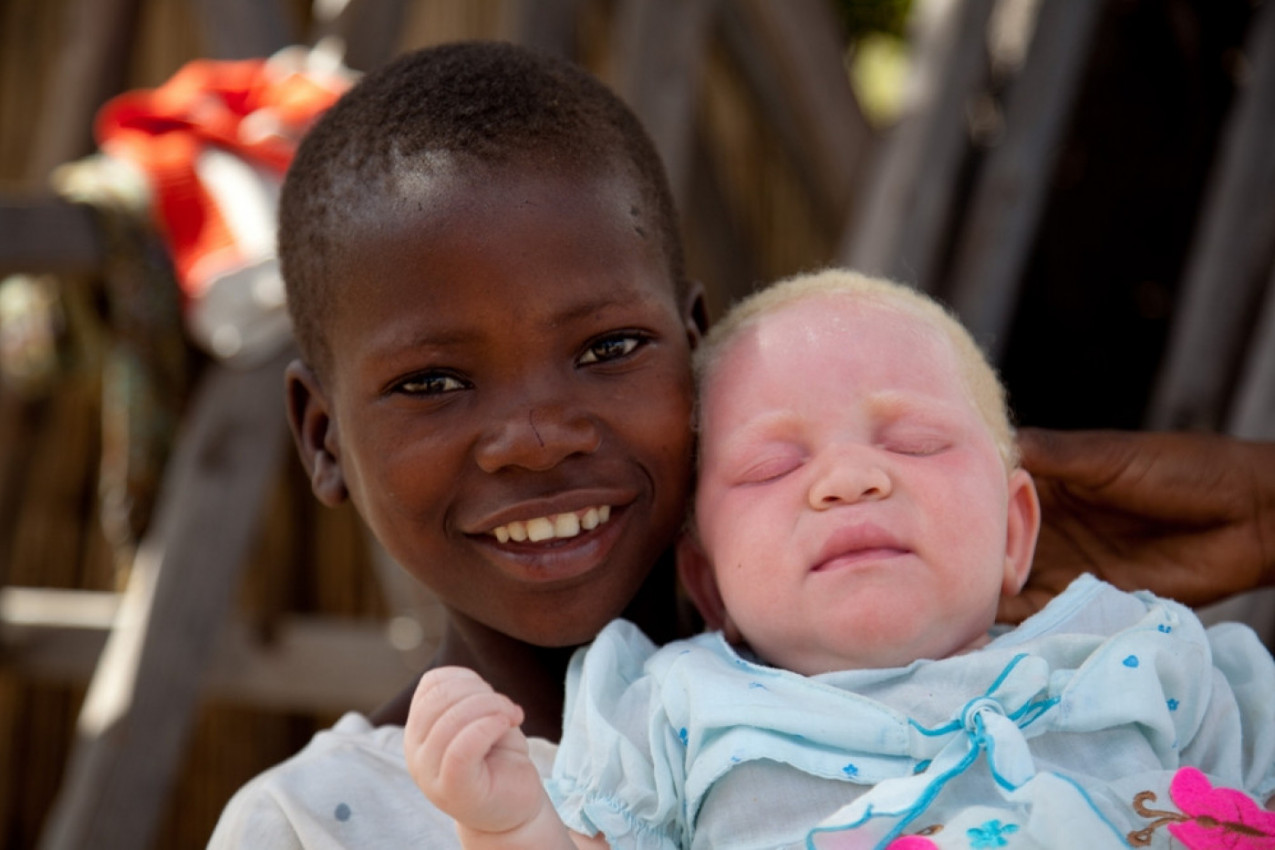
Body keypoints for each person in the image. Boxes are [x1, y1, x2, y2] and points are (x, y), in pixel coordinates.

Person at [207, 36, 1275, 850]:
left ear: (695, 353)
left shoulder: (1065, 673)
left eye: (609, 346)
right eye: (431, 382)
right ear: (324, 437)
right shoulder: (318, 826)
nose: (533, 439)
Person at [406, 269, 1275, 849]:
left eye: (916, 442)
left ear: (1015, 531)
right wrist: (510, 824)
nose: (852, 479)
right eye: (773, 467)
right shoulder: (676, 710)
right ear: (707, 583)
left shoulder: (1143, 656)